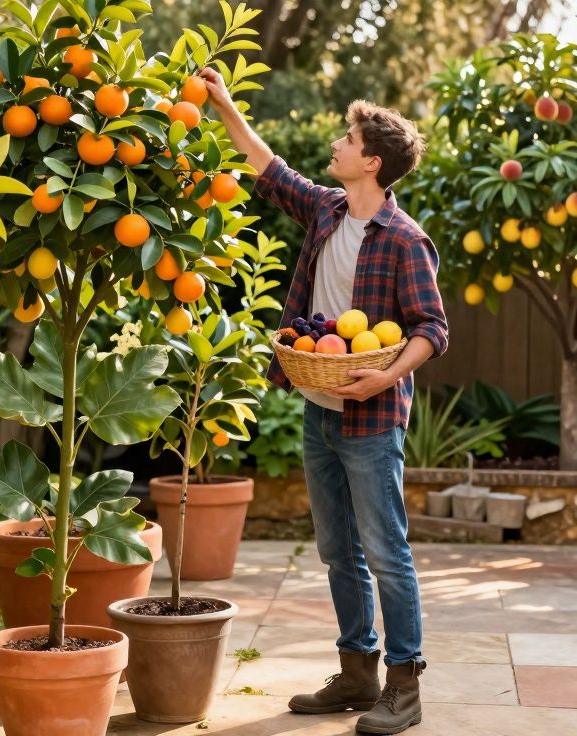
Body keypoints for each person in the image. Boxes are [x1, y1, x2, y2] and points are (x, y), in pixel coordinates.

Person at [198, 68, 448, 735]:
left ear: (371, 161)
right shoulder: (327, 210)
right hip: (320, 405)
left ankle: (405, 684)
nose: (336, 145)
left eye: (347, 138)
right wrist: (223, 105)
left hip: (371, 414)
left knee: (385, 548)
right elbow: (267, 167)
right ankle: (357, 672)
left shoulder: (405, 240)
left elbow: (432, 329)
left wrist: (385, 376)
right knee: (338, 549)